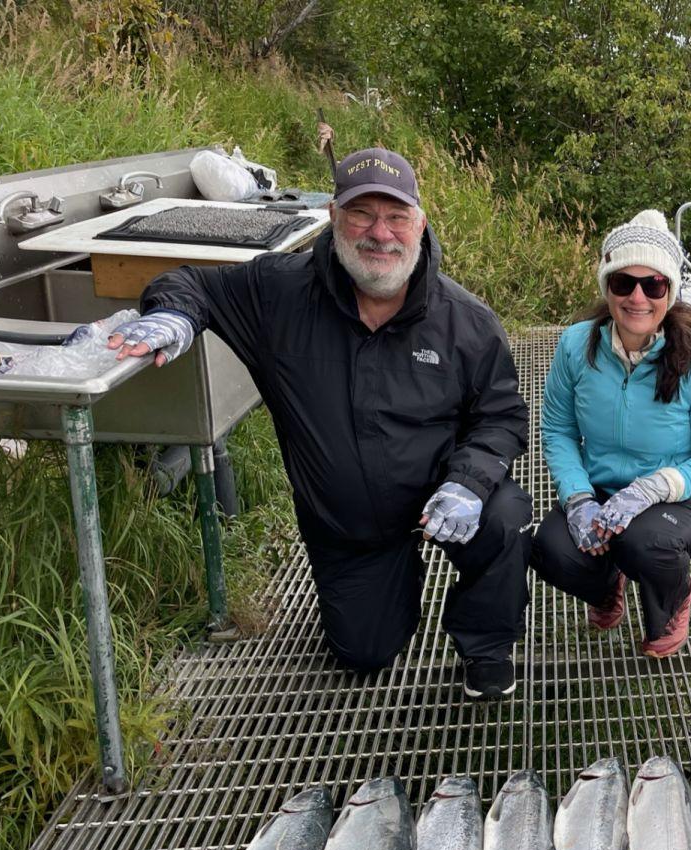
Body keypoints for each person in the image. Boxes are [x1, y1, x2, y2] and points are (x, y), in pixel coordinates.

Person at [106, 148, 531, 699]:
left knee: (503, 518)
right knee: (364, 652)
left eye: (397, 216)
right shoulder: (278, 291)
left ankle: (487, 646)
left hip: (444, 493)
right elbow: (193, 283)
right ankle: (394, 582)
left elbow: (501, 416)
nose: (381, 233)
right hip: (349, 527)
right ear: (334, 217)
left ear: (420, 224)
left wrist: (468, 483)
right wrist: (171, 315)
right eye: (362, 214)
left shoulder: (467, 321)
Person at [532, 209, 691, 657]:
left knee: (642, 541)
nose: (638, 297)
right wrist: (578, 498)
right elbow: (558, 429)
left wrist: (653, 487)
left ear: (670, 290)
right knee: (548, 548)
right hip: (603, 488)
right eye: (623, 282)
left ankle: (674, 599)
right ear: (607, 287)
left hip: (686, 498)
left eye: (654, 284)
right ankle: (607, 588)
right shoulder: (574, 346)